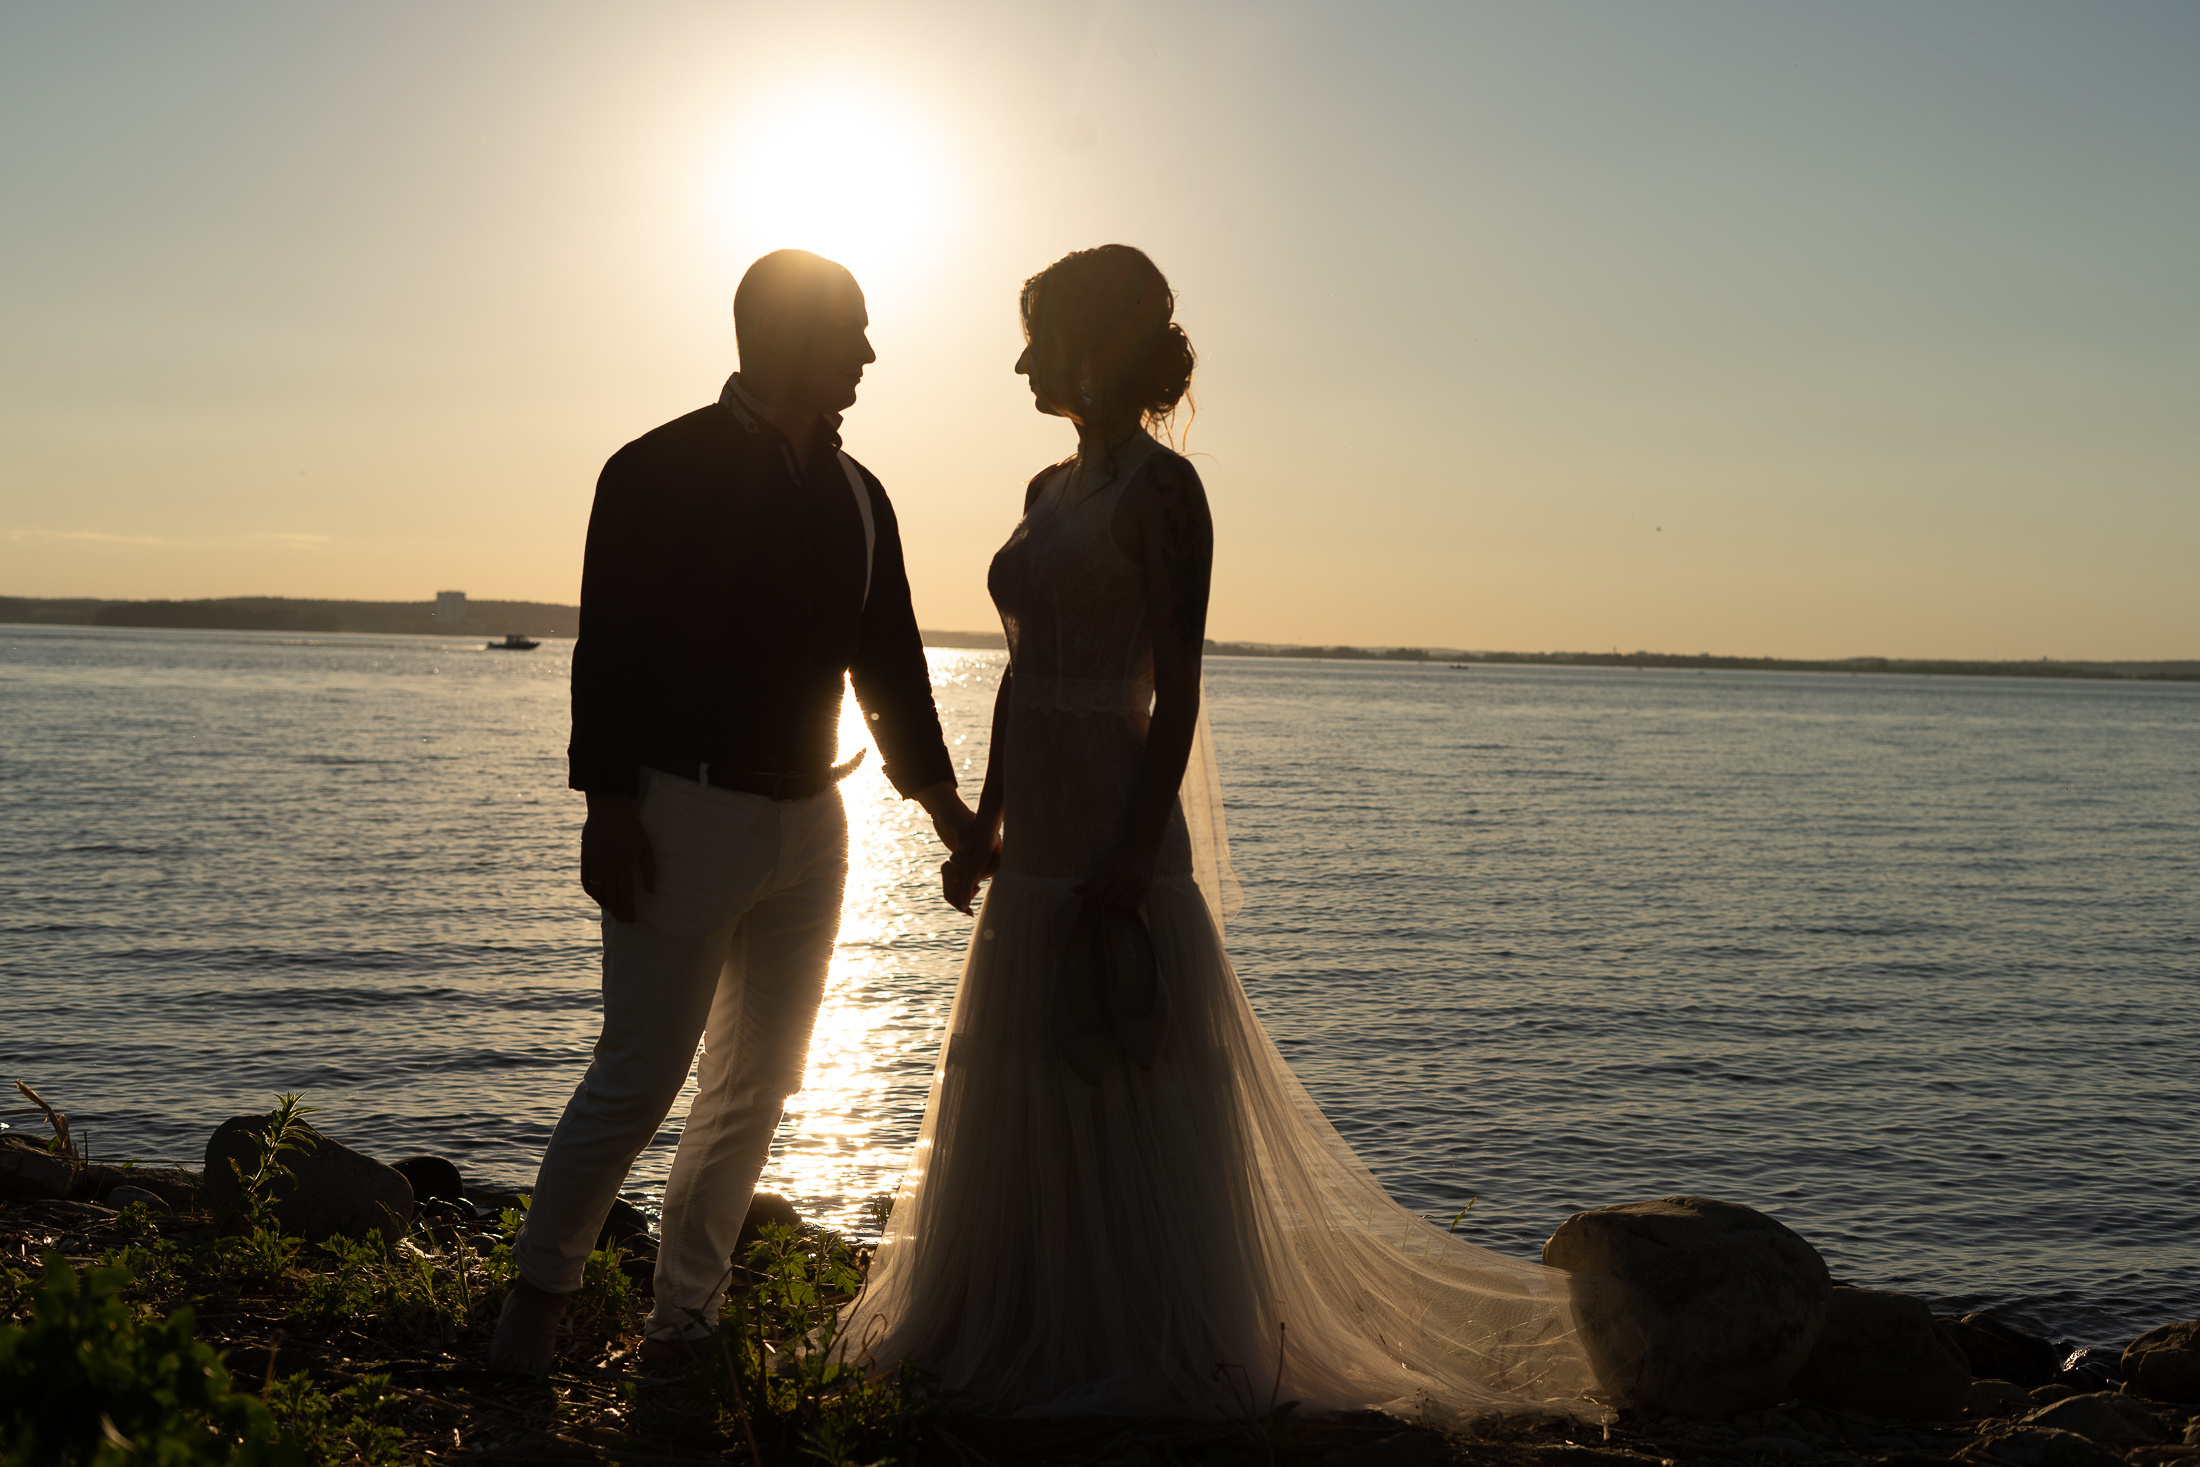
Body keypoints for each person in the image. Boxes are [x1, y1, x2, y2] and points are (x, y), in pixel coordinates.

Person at [839, 246, 1605, 1419]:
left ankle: (1151, 1333)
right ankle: (1036, 1313)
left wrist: (1136, 856)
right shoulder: (1048, 491)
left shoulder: (1164, 494)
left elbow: (1181, 692)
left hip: (1113, 816)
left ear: (1093, 346)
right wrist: (983, 828)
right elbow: (1016, 674)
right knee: (1028, 1072)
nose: (1021, 359)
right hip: (1035, 828)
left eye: (1038, 336)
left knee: (1125, 1071)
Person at [492, 249, 975, 1373]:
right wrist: (607, 806)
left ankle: (685, 1321)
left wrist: (942, 805)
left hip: (815, 823)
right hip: (679, 811)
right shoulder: (654, 471)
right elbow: (608, 653)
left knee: (758, 1083)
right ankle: (536, 1302)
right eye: (849, 330)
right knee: (641, 1069)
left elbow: (889, 660)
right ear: (777, 335)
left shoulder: (863, 496)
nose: (868, 351)